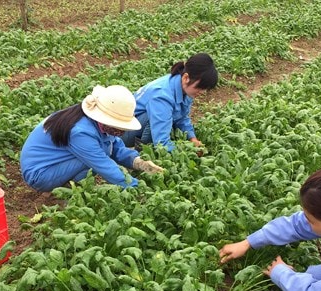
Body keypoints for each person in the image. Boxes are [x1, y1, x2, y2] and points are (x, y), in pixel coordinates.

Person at [20, 85, 164, 192]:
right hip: (40, 174)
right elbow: (103, 164)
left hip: (57, 163)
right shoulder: (80, 132)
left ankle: (72, 185)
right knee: (99, 155)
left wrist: (138, 162)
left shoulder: (95, 122)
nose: (121, 130)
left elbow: (116, 146)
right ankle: (72, 190)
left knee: (103, 149)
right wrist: (136, 187)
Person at [121, 53, 218, 153]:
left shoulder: (185, 88)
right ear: (186, 78)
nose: (202, 92)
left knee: (166, 118)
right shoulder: (162, 96)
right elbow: (161, 142)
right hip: (123, 131)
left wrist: (192, 138)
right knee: (156, 119)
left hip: (136, 124)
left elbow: (182, 117)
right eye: (200, 87)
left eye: (205, 89)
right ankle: (142, 152)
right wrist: (188, 152)